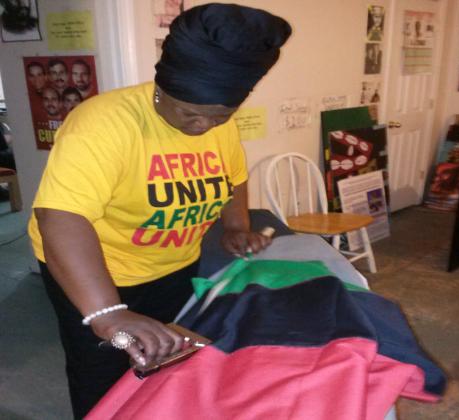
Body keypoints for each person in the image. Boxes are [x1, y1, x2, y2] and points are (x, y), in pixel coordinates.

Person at [28, 3, 291, 419]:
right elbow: (60, 217)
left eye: (220, 116)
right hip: (98, 271)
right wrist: (108, 313)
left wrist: (235, 225)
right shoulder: (102, 124)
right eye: (189, 113)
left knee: (167, 358)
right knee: (102, 373)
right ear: (162, 87)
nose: (202, 127)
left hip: (174, 265)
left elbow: (234, 178)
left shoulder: (220, 127)